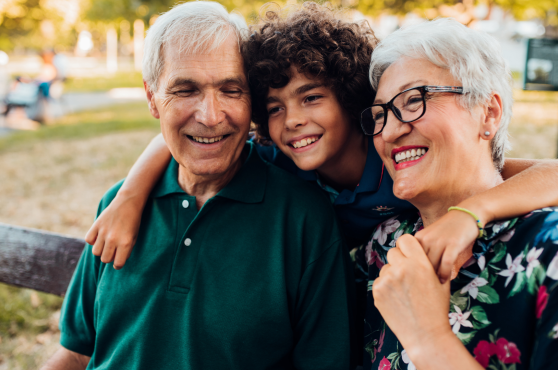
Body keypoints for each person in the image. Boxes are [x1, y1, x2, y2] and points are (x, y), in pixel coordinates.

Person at [86, 2, 558, 287]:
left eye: (311, 97)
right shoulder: (279, 156)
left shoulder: (397, 151)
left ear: (349, 98)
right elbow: (184, 136)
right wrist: (129, 196)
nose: (293, 121)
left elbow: (547, 172)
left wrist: (469, 213)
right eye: (273, 107)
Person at [41, 2, 354, 369]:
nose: (210, 116)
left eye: (230, 90)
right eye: (185, 90)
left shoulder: (304, 221)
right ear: (152, 99)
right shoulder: (120, 206)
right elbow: (77, 354)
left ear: (252, 100)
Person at [362, 18, 558, 370]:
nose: (390, 131)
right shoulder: (382, 244)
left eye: (414, 100)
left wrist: (429, 340)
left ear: (489, 113)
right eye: (381, 114)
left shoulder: (548, 250)